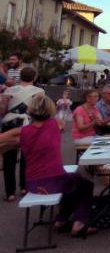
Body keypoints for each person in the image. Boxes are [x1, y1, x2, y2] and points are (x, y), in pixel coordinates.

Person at [0, 95, 95, 236]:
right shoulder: (56, 124)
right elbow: (55, 127)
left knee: (74, 180)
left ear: (30, 111)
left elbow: (5, 138)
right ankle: (78, 223)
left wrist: (14, 144)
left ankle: (61, 219)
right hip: (54, 181)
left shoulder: (24, 131)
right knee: (85, 185)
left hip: (32, 184)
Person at [0, 66, 44, 201]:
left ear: (20, 76)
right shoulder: (39, 91)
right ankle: (24, 187)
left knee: (9, 158)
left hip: (10, 123)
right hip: (29, 124)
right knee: (27, 158)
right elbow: (39, 111)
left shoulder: (9, 90)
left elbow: (3, 110)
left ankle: (10, 192)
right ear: (34, 77)